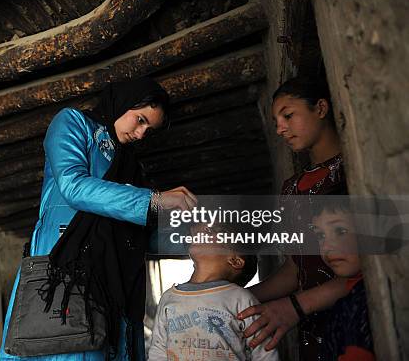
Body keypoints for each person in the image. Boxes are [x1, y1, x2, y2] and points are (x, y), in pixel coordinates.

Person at [0, 78, 198, 361]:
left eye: (148, 130)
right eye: (140, 120)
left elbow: (138, 237)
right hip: (64, 266)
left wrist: (197, 232)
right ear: (123, 103)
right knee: (56, 345)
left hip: (113, 278)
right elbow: (72, 185)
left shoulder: (132, 168)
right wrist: (153, 200)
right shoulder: (73, 123)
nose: (141, 134)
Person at [237, 77, 349, 360]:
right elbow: (295, 268)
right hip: (311, 326)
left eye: (288, 115)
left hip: (360, 312)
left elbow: (372, 265)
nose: (280, 128)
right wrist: (237, 299)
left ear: (321, 108)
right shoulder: (291, 189)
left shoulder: (352, 170)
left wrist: (295, 306)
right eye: (276, 121)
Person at [148, 223, 279, 361]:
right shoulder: (169, 297)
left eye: (219, 231)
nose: (205, 229)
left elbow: (265, 353)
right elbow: (158, 351)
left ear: (234, 260)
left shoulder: (241, 299)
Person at [310, 198, 374, 361]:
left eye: (341, 231)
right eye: (320, 235)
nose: (326, 246)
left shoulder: (363, 301)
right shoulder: (351, 298)